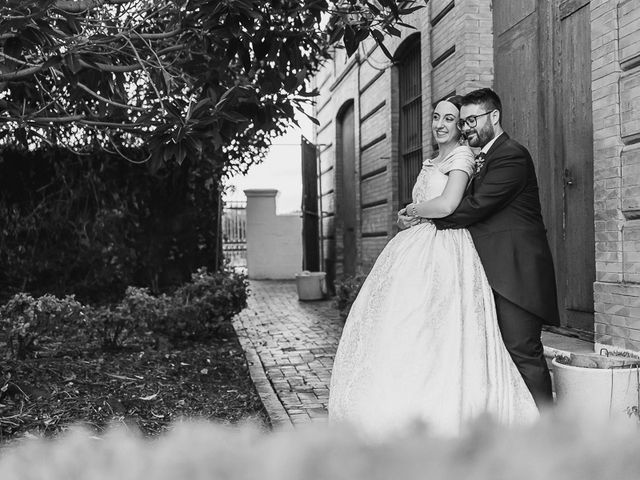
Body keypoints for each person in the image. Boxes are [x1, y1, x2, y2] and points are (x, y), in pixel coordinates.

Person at [328, 96, 538, 439]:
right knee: (406, 328)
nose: (440, 124)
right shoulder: (433, 160)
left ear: (460, 127)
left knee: (441, 331)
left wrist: (415, 210)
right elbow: (427, 204)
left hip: (448, 251)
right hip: (416, 248)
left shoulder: (463, 156)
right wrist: (408, 214)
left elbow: (449, 203)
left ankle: (445, 416)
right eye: (436, 117)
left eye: (450, 119)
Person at [432, 88, 559, 408]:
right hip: (494, 270)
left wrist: (427, 219)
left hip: (517, 274)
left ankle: (550, 431)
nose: (466, 128)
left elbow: (478, 205)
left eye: (471, 120)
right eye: (462, 123)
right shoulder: (483, 156)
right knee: (503, 352)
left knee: (523, 351)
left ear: (494, 116)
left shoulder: (511, 154)